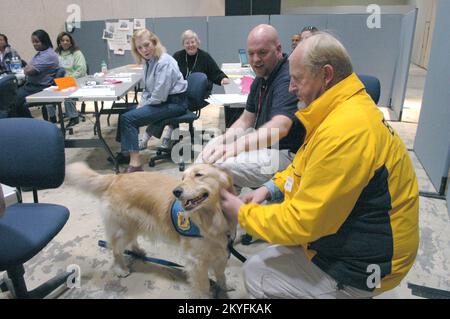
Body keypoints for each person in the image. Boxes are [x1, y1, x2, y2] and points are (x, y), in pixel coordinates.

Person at [220, 32, 419, 299]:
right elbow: (301, 164)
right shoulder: (340, 110)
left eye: (297, 79)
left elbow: (304, 222)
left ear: (326, 75)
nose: (291, 88)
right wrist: (268, 189)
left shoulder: (346, 131)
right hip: (361, 234)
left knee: (257, 273)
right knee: (278, 240)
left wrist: (241, 213)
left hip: (365, 265)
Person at [197, 24, 304, 191]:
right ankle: (221, 209)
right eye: (251, 53)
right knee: (207, 153)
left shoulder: (287, 78)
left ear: (278, 49)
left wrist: (234, 148)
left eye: (262, 53)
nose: (255, 60)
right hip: (267, 146)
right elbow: (246, 120)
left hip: (286, 153)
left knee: (214, 167)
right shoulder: (260, 79)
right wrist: (224, 142)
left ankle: (213, 210)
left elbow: (280, 127)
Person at [139, 29, 230, 150]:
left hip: (199, 96)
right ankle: (166, 134)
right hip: (180, 94)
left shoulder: (204, 57)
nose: (190, 45)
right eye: (187, 43)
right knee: (165, 105)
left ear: (197, 43)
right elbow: (167, 75)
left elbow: (215, 73)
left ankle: (160, 136)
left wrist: (223, 79)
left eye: (193, 42)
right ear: (183, 44)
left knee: (166, 107)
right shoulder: (178, 56)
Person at [115, 29, 188, 173]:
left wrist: (142, 108)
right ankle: (126, 153)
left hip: (174, 103)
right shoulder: (149, 61)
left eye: (146, 45)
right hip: (162, 101)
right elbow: (148, 90)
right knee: (125, 112)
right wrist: (141, 105)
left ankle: (136, 165)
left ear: (154, 42)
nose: (144, 50)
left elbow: (159, 96)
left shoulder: (164, 62)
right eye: (139, 48)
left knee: (129, 119)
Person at [44, 31, 87, 126]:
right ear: (59, 42)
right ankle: (52, 117)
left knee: (66, 92)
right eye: (63, 40)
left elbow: (81, 70)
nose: (65, 42)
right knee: (47, 93)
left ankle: (73, 117)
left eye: (67, 40)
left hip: (75, 79)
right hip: (59, 81)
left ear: (71, 42)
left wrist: (65, 80)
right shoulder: (56, 54)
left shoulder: (76, 53)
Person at [12, 29, 59, 118]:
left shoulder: (49, 55)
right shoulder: (40, 54)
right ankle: (26, 121)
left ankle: (26, 123)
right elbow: (27, 67)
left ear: (44, 40)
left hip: (39, 87)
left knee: (12, 101)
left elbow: (29, 70)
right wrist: (27, 68)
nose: (34, 44)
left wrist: (27, 69)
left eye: (37, 42)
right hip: (31, 86)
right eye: (33, 42)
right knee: (12, 100)